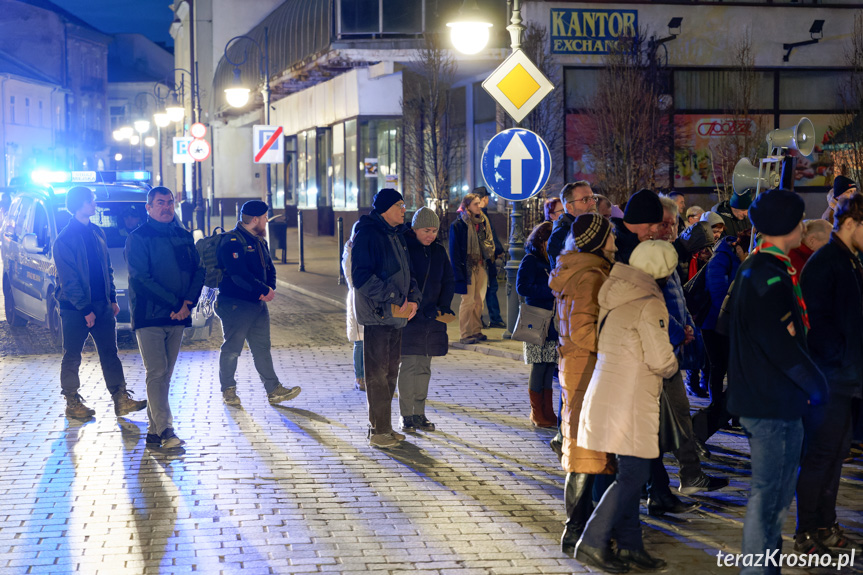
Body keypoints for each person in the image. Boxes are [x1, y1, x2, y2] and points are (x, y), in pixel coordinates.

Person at [727, 188, 828, 575]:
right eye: (800, 220)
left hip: (774, 400)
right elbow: (780, 346)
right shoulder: (765, 275)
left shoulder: (765, 269)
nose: (804, 226)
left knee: (777, 496)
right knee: (769, 495)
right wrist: (817, 386)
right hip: (769, 402)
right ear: (788, 225)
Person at [574, 240, 680, 573]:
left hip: (609, 392)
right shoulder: (650, 303)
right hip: (631, 400)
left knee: (631, 473)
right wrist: (675, 362)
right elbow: (661, 359)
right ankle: (591, 541)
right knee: (634, 475)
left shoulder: (617, 292)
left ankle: (631, 546)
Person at [796, 193, 863, 554]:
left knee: (834, 455)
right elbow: (821, 328)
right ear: (850, 223)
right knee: (821, 456)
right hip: (829, 378)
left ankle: (825, 524)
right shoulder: (829, 262)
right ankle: (808, 529)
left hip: (842, 376)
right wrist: (840, 367)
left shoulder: (847, 260)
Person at [650, 198, 727, 512]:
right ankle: (672, 481)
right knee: (672, 416)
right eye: (664, 223)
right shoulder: (650, 258)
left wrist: (686, 327)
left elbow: (675, 299)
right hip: (658, 350)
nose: (670, 229)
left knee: (676, 415)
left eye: (673, 224)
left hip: (671, 346)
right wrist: (677, 331)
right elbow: (653, 306)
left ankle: (683, 477)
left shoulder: (663, 256)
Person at [549, 213, 618, 556]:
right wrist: (618, 339)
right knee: (584, 451)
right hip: (586, 367)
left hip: (577, 366)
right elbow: (583, 331)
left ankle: (583, 525)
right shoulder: (590, 276)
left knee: (584, 448)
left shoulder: (577, 270)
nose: (615, 242)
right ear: (597, 241)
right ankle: (576, 529)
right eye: (610, 236)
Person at [53, 186, 147, 419]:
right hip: (75, 308)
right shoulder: (65, 239)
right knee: (72, 354)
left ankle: (120, 399)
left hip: (102, 304)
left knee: (110, 352)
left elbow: (106, 268)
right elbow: (69, 280)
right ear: (79, 204)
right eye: (91, 201)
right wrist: (85, 309)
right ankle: (72, 401)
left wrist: (112, 298)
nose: (94, 205)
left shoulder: (96, 232)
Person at [126, 186, 205, 449]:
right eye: (160, 203)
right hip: (150, 316)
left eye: (170, 202)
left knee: (165, 376)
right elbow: (141, 279)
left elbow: (198, 271)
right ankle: (166, 430)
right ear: (148, 207)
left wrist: (187, 303)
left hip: (178, 316)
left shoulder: (183, 236)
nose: (166, 207)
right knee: (157, 372)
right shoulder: (138, 238)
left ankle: (152, 432)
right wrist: (175, 303)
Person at [352, 189, 420, 449]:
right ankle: (378, 431)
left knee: (391, 374)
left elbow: (408, 272)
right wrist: (393, 296)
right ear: (385, 209)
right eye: (399, 205)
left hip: (397, 314)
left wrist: (413, 296)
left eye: (404, 204)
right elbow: (361, 277)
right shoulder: (368, 234)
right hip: (378, 315)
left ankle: (385, 427)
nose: (404, 209)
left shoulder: (398, 234)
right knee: (377, 375)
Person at [216, 200, 301, 408]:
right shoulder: (232, 241)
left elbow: (269, 267)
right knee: (232, 349)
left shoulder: (259, 240)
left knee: (262, 348)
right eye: (264, 218)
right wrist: (262, 290)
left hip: (257, 305)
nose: (266, 221)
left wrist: (269, 289)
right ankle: (228, 390)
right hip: (236, 305)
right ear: (255, 219)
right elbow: (238, 275)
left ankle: (273, 390)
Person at [691, 230, 751, 451]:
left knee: (730, 367)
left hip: (728, 323)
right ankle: (717, 408)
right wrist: (729, 318)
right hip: (714, 323)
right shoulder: (722, 258)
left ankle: (728, 413)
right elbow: (718, 292)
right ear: (739, 248)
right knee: (718, 366)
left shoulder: (737, 259)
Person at [397, 207, 454, 432]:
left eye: (434, 230)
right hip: (410, 318)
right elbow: (403, 281)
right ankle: (406, 415)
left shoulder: (439, 251)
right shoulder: (405, 248)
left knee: (424, 367)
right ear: (415, 228)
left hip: (432, 318)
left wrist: (442, 307)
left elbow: (448, 281)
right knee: (410, 365)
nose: (430, 235)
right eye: (426, 230)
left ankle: (419, 413)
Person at [516, 221, 558, 428]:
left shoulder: (553, 261)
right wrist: (548, 291)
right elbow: (522, 287)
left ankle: (548, 410)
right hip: (536, 318)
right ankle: (536, 412)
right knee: (539, 366)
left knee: (550, 365)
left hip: (553, 320)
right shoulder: (531, 260)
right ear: (541, 240)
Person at [450, 193, 494, 344]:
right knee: (468, 301)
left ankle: (476, 330)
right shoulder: (458, 225)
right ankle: (465, 333)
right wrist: (458, 273)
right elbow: (454, 251)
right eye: (475, 204)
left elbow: (488, 241)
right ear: (467, 206)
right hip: (467, 266)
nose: (479, 206)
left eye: (479, 203)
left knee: (478, 300)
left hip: (480, 265)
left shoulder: (482, 222)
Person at [476, 187, 506, 329]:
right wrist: (498, 249)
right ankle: (489, 318)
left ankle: (490, 318)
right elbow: (489, 237)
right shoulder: (480, 216)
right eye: (487, 197)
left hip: (487, 258)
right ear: (483, 199)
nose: (488, 200)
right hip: (486, 259)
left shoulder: (481, 215)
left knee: (488, 289)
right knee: (487, 289)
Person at [548, 181, 596, 270]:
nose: (593, 202)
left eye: (593, 198)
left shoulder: (597, 228)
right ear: (570, 207)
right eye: (585, 199)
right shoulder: (560, 236)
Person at [610, 188, 664, 264]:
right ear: (634, 220)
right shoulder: (612, 247)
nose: (655, 230)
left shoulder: (649, 245)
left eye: (658, 225)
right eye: (650, 224)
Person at [342, 221, 365, 391]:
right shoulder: (350, 250)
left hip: (371, 299)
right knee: (360, 341)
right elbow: (350, 275)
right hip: (358, 298)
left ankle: (371, 376)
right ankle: (360, 377)